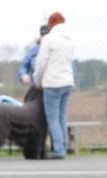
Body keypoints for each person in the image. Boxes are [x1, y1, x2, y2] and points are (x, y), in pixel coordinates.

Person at [33, 12, 75, 160]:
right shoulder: (70, 39)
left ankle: (59, 150)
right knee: (62, 117)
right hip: (68, 82)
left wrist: (37, 81)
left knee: (53, 118)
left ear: (51, 25)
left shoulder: (49, 39)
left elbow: (41, 62)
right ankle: (63, 146)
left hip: (52, 83)